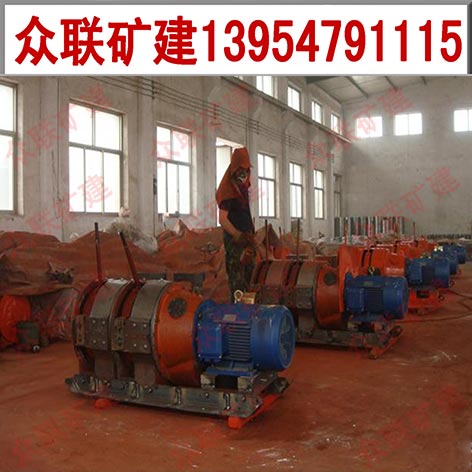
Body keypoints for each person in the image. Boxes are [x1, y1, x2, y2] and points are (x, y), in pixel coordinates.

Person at [216, 147, 256, 301]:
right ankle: (238, 311)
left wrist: (250, 235)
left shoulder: (243, 188)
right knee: (237, 281)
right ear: (234, 169)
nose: (244, 173)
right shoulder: (228, 191)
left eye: (246, 169)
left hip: (247, 240)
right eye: (241, 169)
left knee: (250, 278)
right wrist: (238, 235)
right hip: (235, 243)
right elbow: (222, 219)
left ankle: (250, 310)